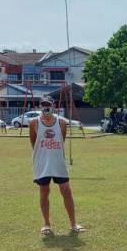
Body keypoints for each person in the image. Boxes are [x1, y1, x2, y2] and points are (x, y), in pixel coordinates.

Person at [29, 97, 86, 236]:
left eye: (48, 105)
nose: (45, 107)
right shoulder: (33, 122)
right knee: (44, 191)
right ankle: (46, 224)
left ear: (53, 106)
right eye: (43, 105)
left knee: (66, 191)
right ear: (39, 106)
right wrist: (43, 153)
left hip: (58, 161)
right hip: (42, 163)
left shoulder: (61, 122)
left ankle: (73, 224)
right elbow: (33, 142)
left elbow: (62, 140)